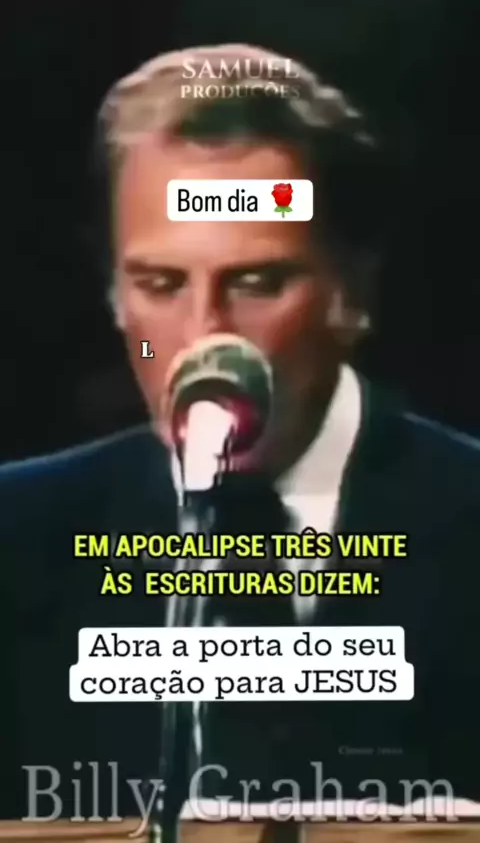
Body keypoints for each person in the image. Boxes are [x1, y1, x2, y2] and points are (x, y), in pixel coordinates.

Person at [1, 43, 480, 822]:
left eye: (257, 282)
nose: (204, 336)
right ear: (115, 294)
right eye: (160, 284)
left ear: (352, 290)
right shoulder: (15, 541)